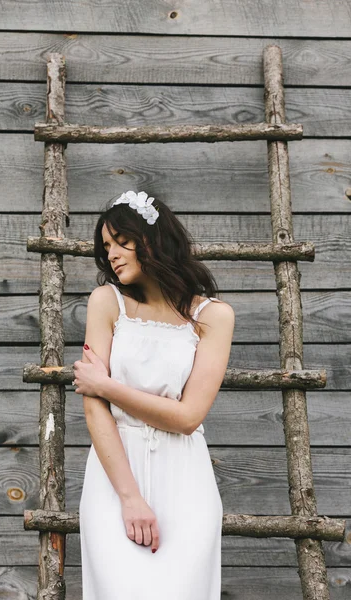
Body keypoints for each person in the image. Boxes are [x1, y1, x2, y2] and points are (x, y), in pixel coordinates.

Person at [73, 190, 235, 599]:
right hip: (114, 480)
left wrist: (107, 385)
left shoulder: (213, 317)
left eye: (121, 241)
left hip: (186, 483)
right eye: (106, 246)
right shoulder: (106, 303)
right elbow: (96, 412)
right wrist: (130, 498)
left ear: (153, 238)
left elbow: (187, 417)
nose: (111, 253)